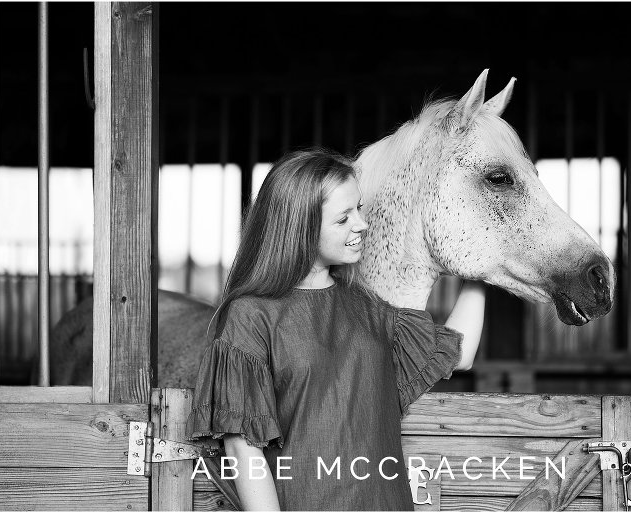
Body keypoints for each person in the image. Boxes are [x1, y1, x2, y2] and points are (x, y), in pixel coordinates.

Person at [186, 149, 485, 511]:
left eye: (358, 209)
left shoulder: (368, 308)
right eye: (344, 218)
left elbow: (460, 354)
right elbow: (241, 447)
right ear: (301, 227)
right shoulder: (250, 316)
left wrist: (480, 270)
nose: (361, 224)